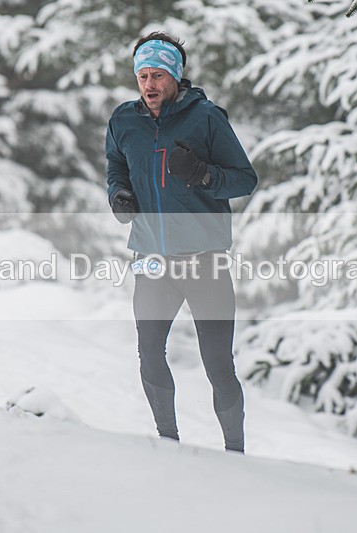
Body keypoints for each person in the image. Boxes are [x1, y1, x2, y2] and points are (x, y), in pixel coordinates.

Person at [105, 31, 258, 453]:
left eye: (157, 75)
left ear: (175, 75)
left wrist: (205, 176)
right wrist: (119, 196)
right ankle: (168, 445)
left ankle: (235, 452)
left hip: (204, 262)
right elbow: (116, 167)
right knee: (150, 354)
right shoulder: (123, 121)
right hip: (151, 260)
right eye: (142, 76)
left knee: (217, 366)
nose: (149, 85)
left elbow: (245, 179)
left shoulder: (205, 118)